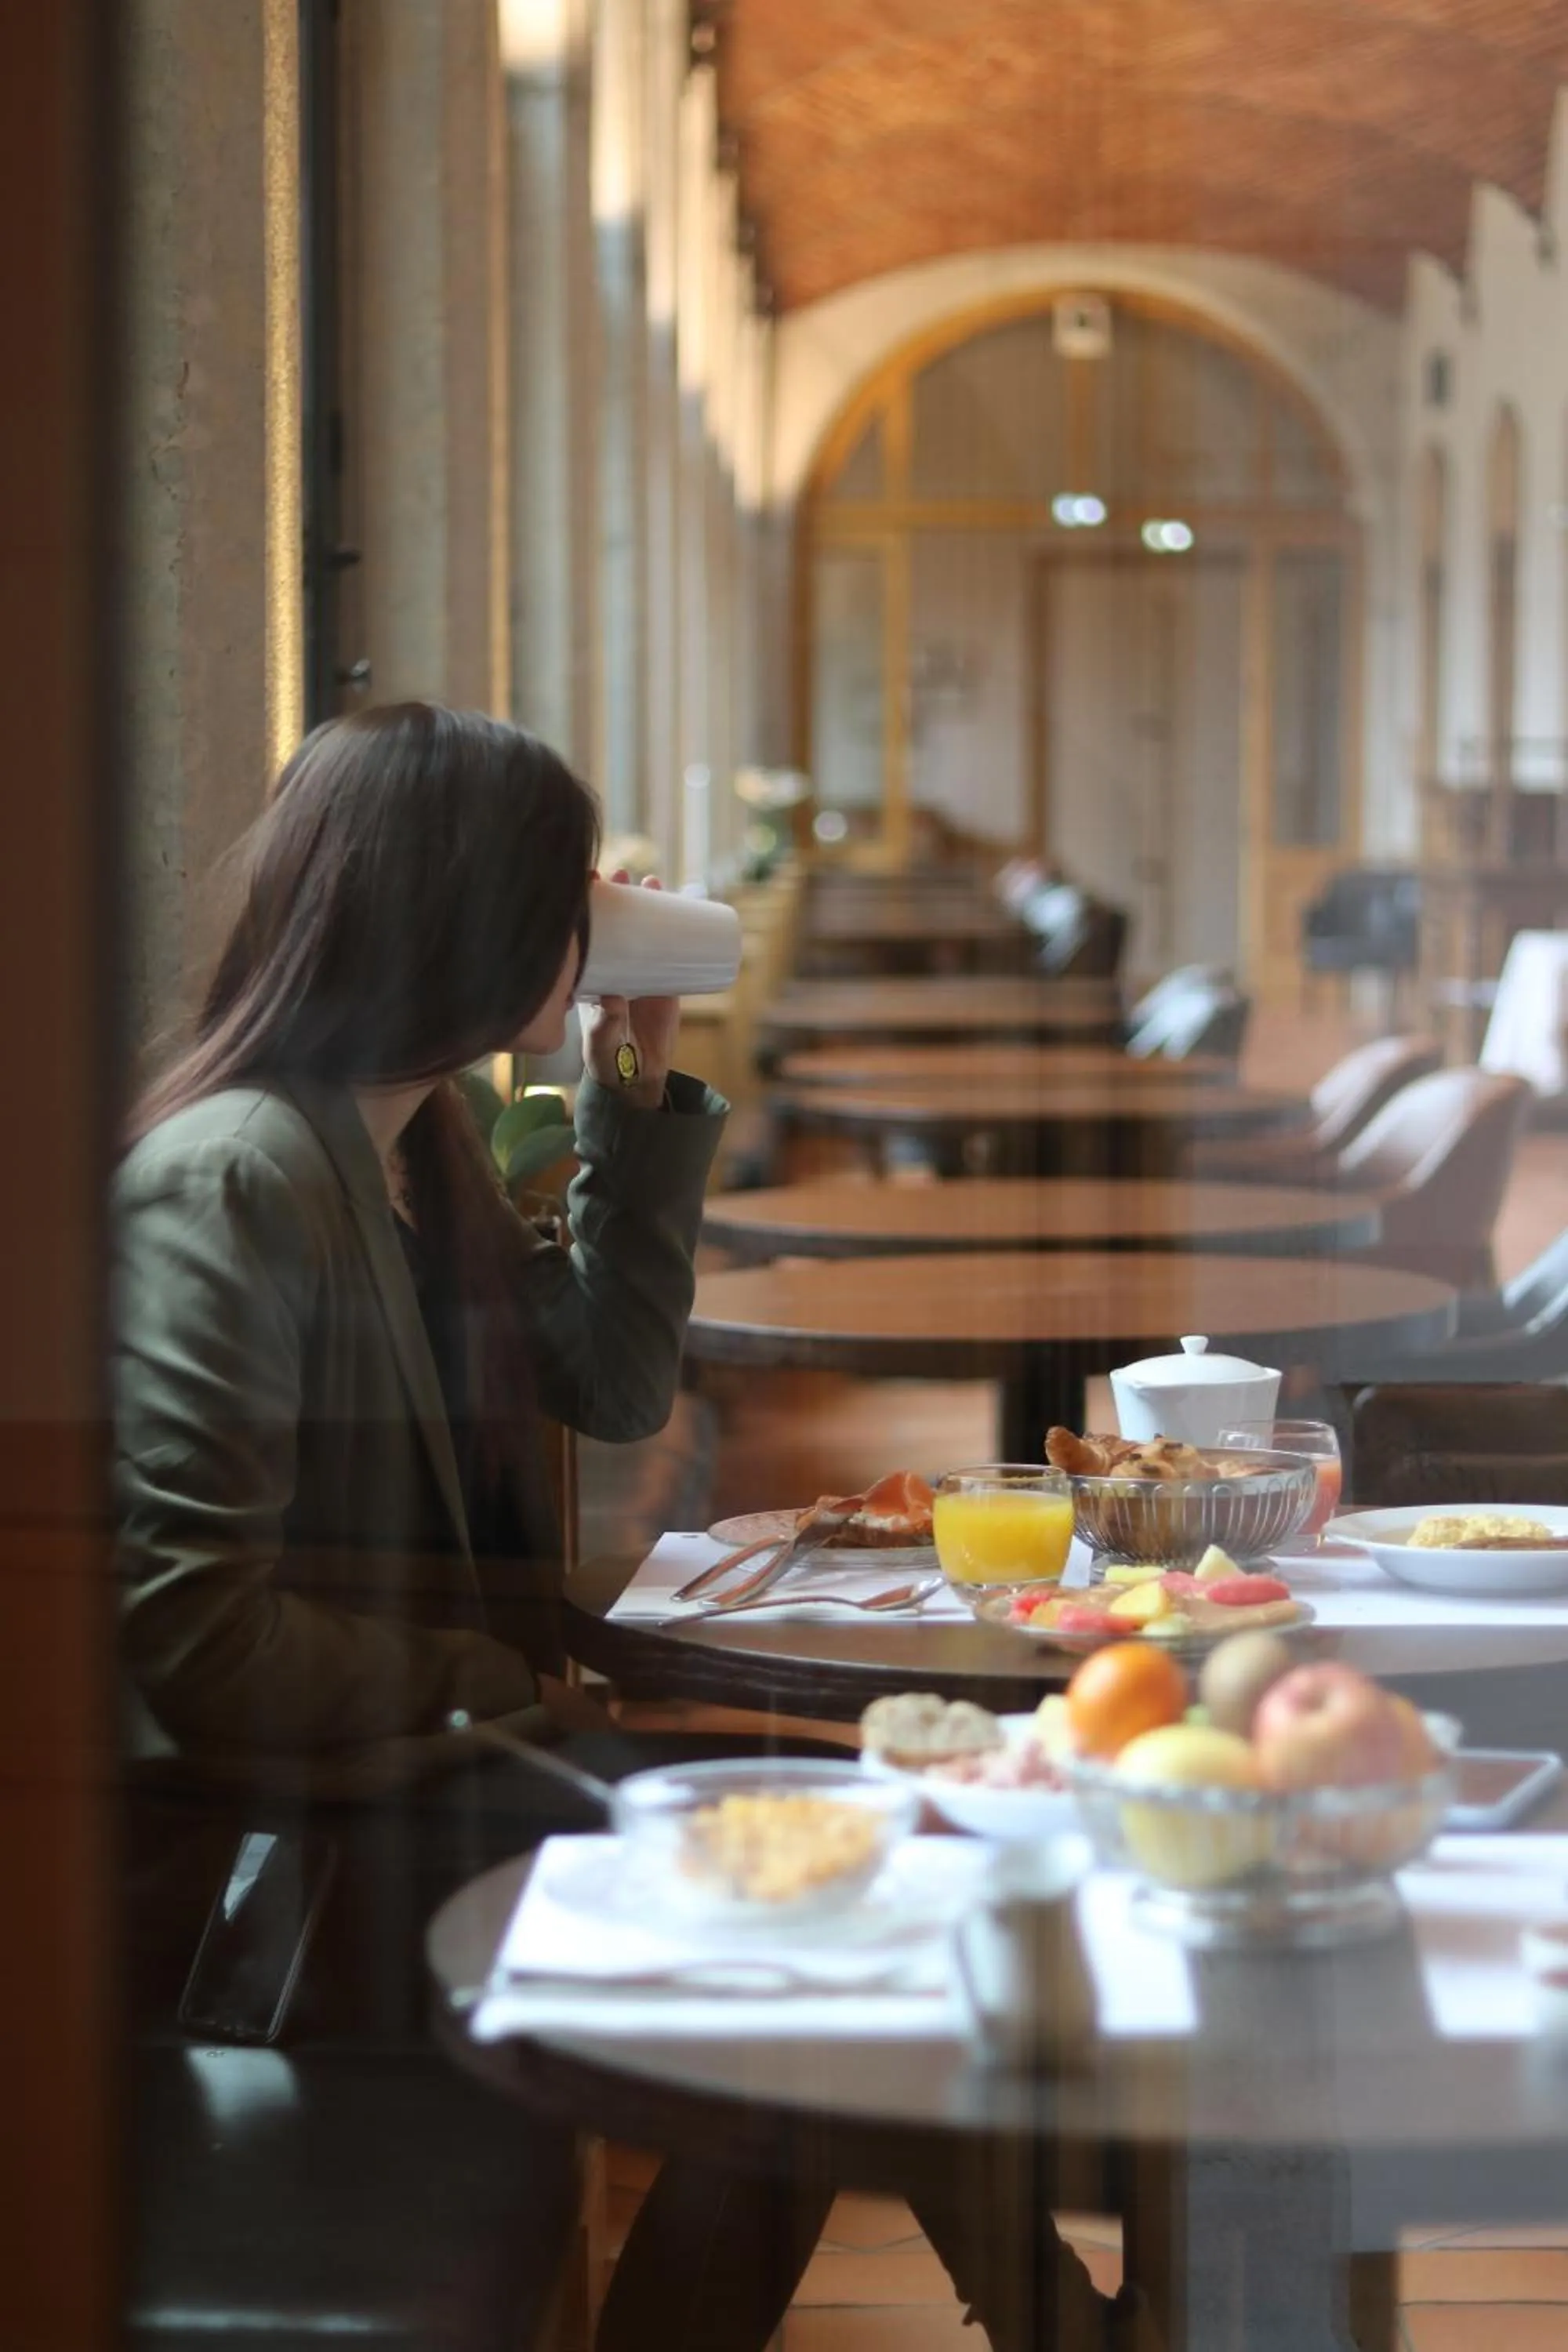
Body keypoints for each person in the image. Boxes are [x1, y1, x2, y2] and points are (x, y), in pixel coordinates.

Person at [114, 701, 1128, 2349]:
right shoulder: (232, 1177)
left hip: (414, 1764)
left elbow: (611, 1379)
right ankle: (1072, 2326)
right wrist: (502, 1693)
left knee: (847, 1906)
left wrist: (631, 1088)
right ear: (471, 919)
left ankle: (1063, 2326)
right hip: (292, 1837)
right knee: (835, 1930)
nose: (589, 922)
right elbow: (194, 1635)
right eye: (563, 895)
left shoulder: (402, 1144)